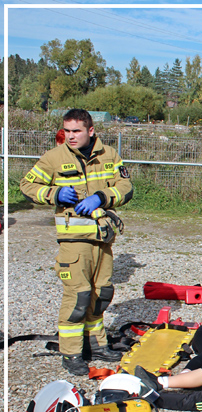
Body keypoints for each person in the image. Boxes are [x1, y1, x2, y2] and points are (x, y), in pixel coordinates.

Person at [19, 109, 133, 376]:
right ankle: (71, 353)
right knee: (78, 296)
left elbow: (126, 187)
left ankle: (96, 345)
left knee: (100, 294)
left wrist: (102, 197)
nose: (70, 136)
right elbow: (27, 185)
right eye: (66, 131)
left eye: (76, 131)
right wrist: (55, 193)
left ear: (90, 131)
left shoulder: (109, 155)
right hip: (73, 241)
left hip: (102, 238)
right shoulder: (54, 157)